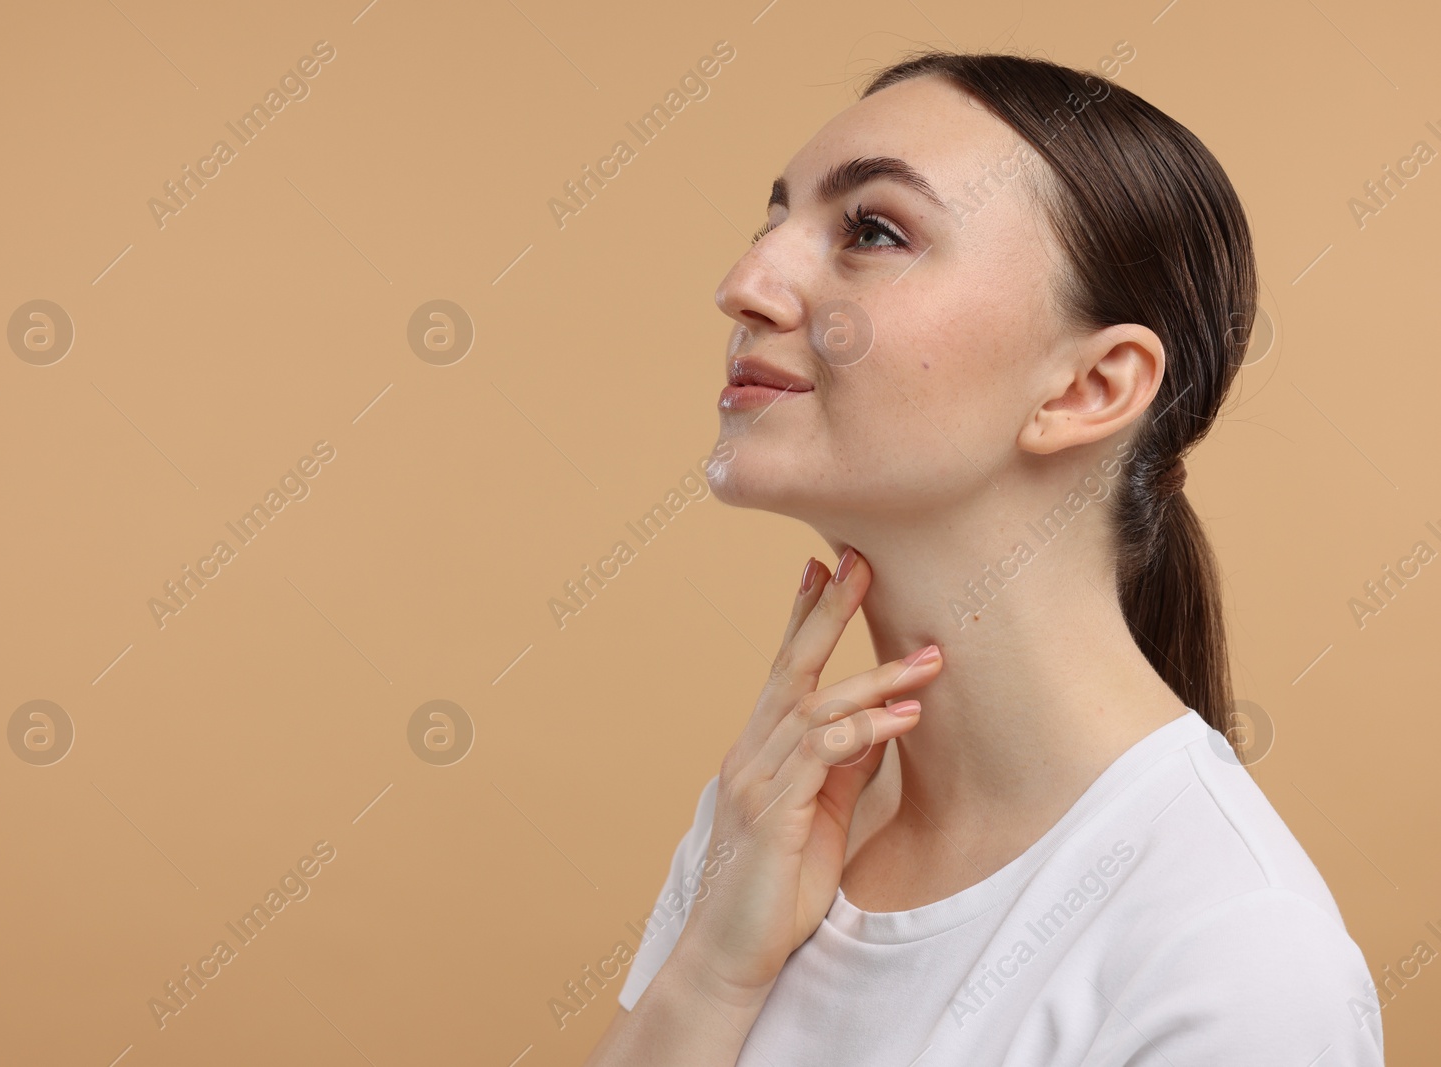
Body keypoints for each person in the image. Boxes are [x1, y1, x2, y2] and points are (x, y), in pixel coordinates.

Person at [582, 50, 1384, 1066]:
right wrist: (705, 975)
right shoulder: (771, 810)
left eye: (872, 230)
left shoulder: (1231, 956)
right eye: (770, 224)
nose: (744, 286)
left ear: (1087, 389)